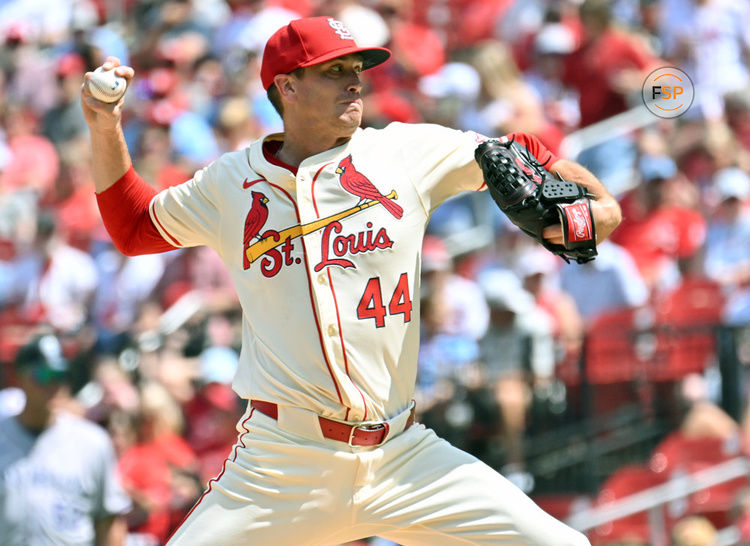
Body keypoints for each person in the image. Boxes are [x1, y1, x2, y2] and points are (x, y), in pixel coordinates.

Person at [81, 15, 621, 545]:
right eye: (334, 70)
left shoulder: (402, 152)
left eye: (357, 67)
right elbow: (133, 227)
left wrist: (598, 208)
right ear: (287, 87)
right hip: (283, 464)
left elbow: (521, 149)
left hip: (404, 455)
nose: (354, 80)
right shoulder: (231, 182)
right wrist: (104, 125)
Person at [0, 334, 131, 545]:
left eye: (60, 374)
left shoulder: (92, 442)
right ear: (19, 378)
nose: (53, 384)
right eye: (43, 374)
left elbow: (108, 521)